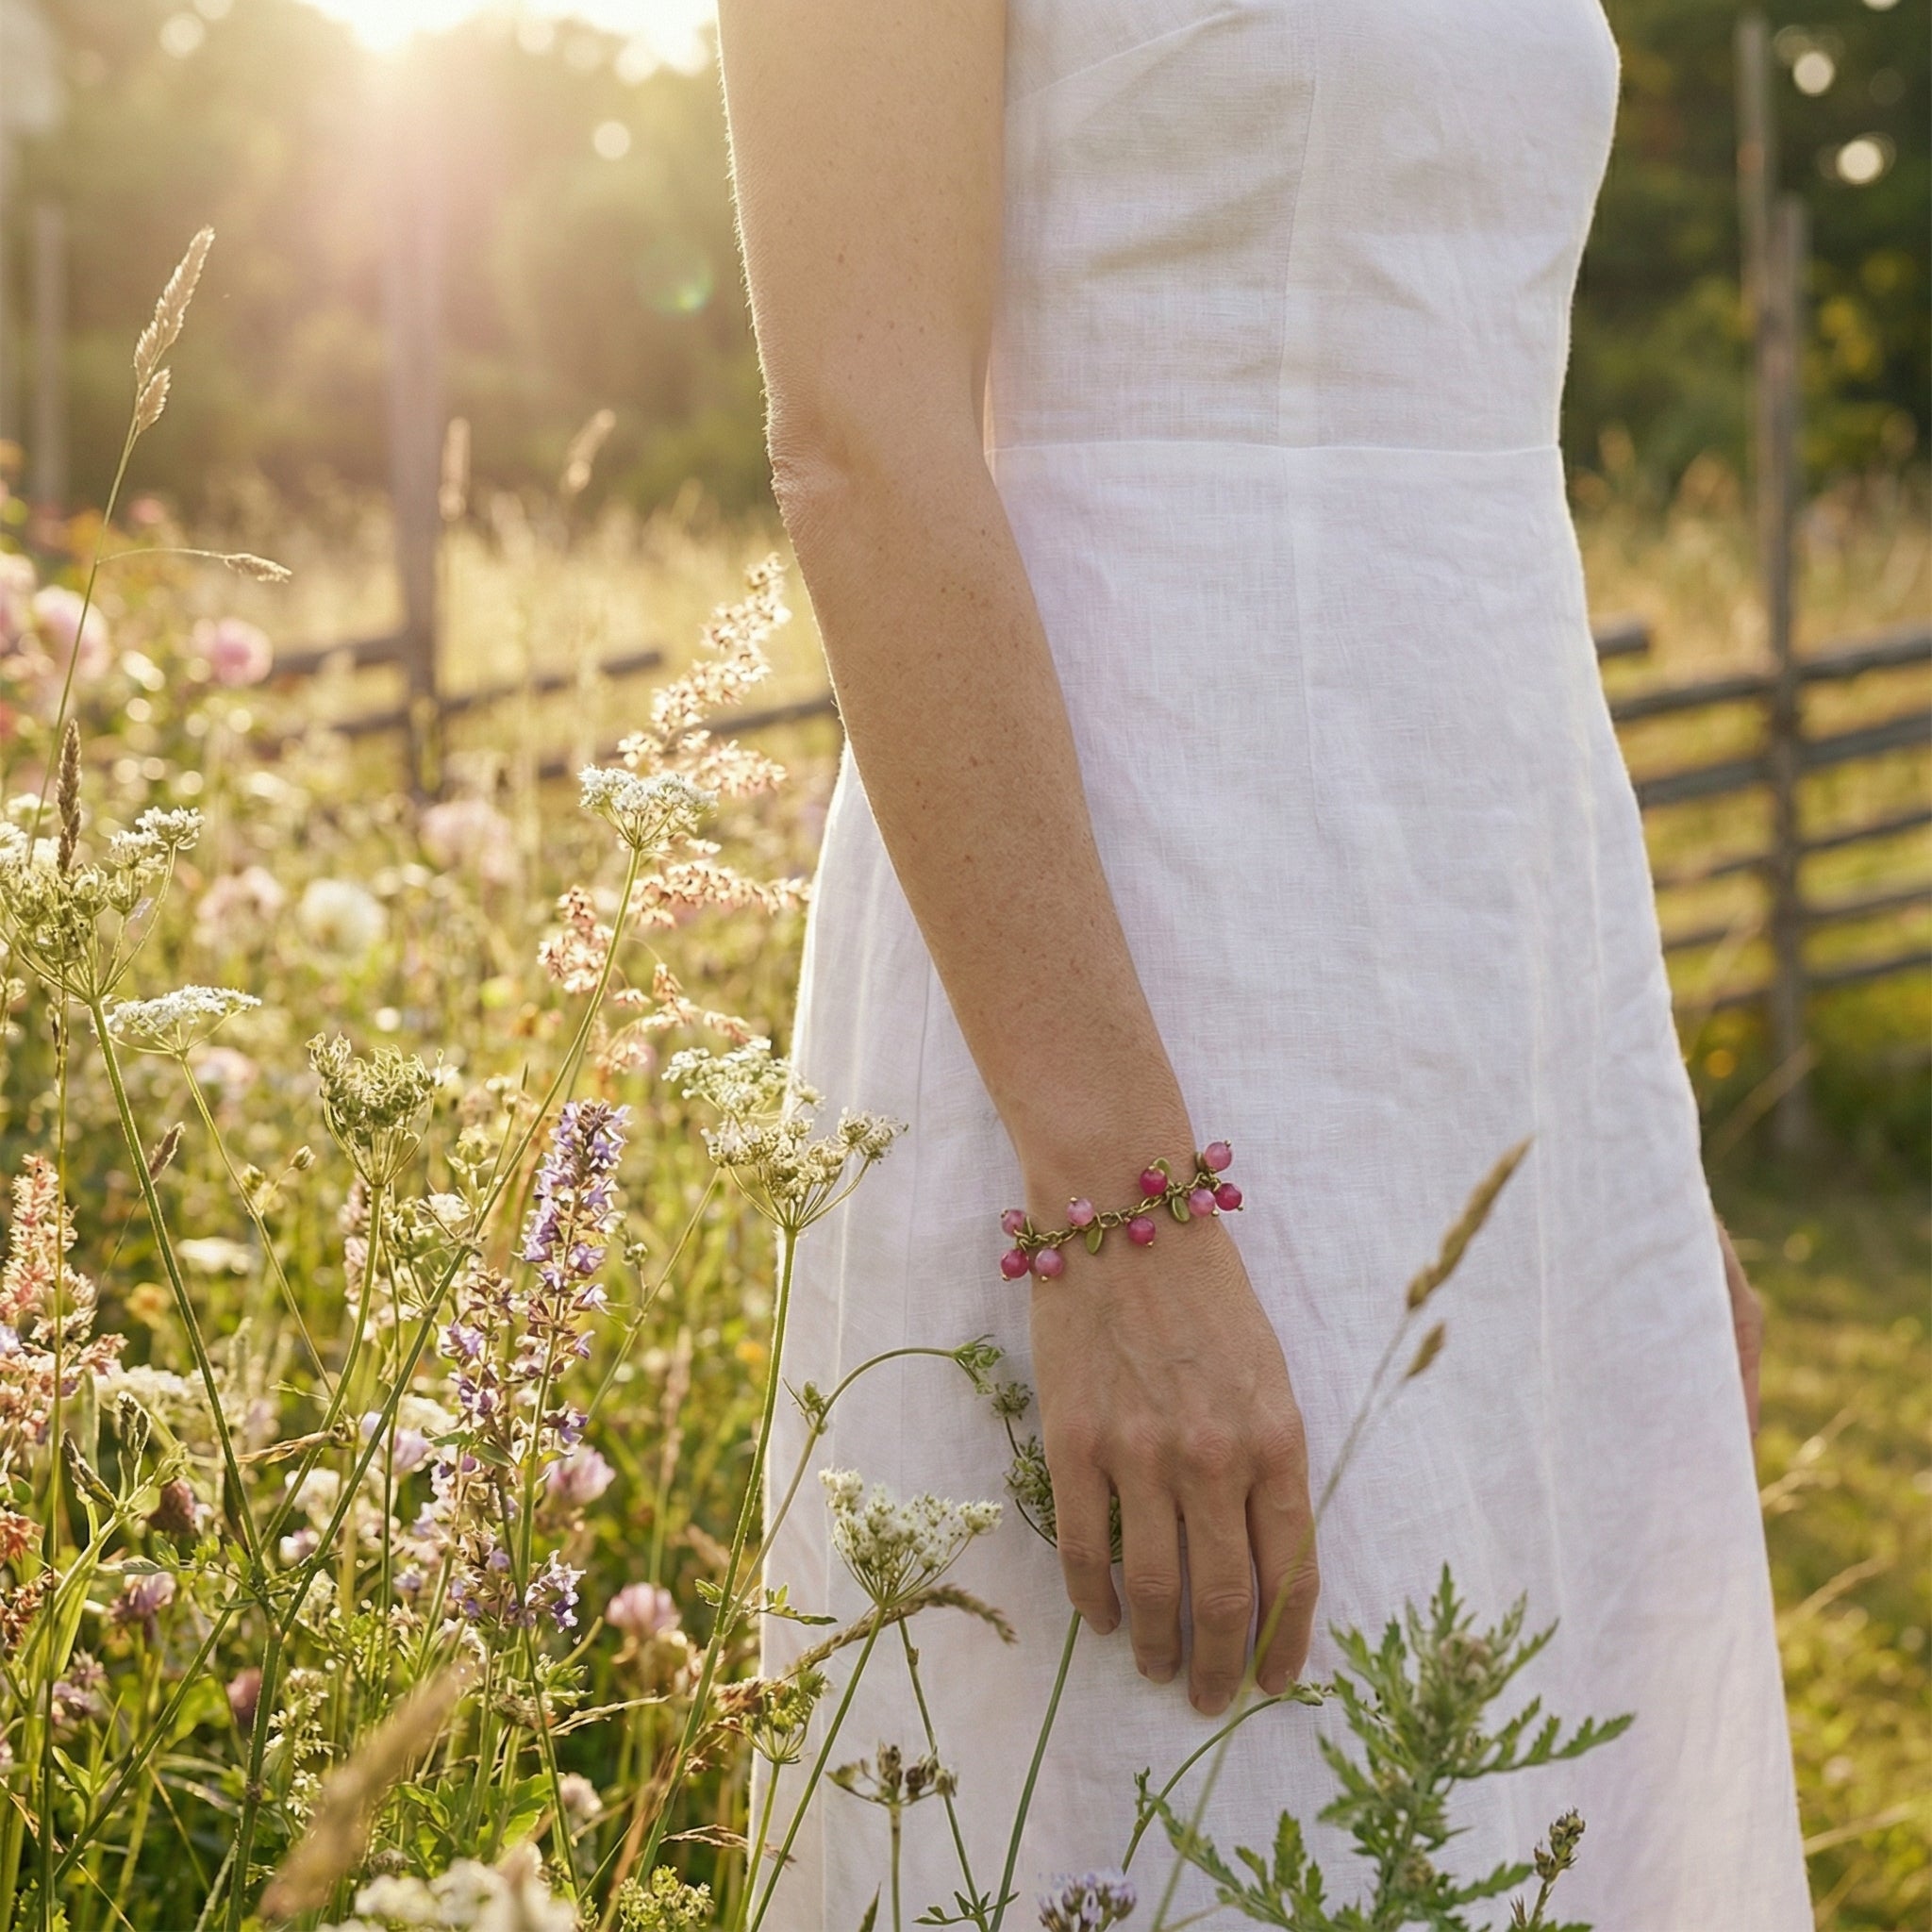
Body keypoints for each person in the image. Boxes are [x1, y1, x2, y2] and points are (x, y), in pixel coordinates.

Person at [716, 2, 1811, 1925]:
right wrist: (1118, 1208)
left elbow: (1465, 488)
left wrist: (1626, 1179)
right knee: (1203, 1796)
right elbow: (863, 444)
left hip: (1496, 982)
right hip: (1138, 960)